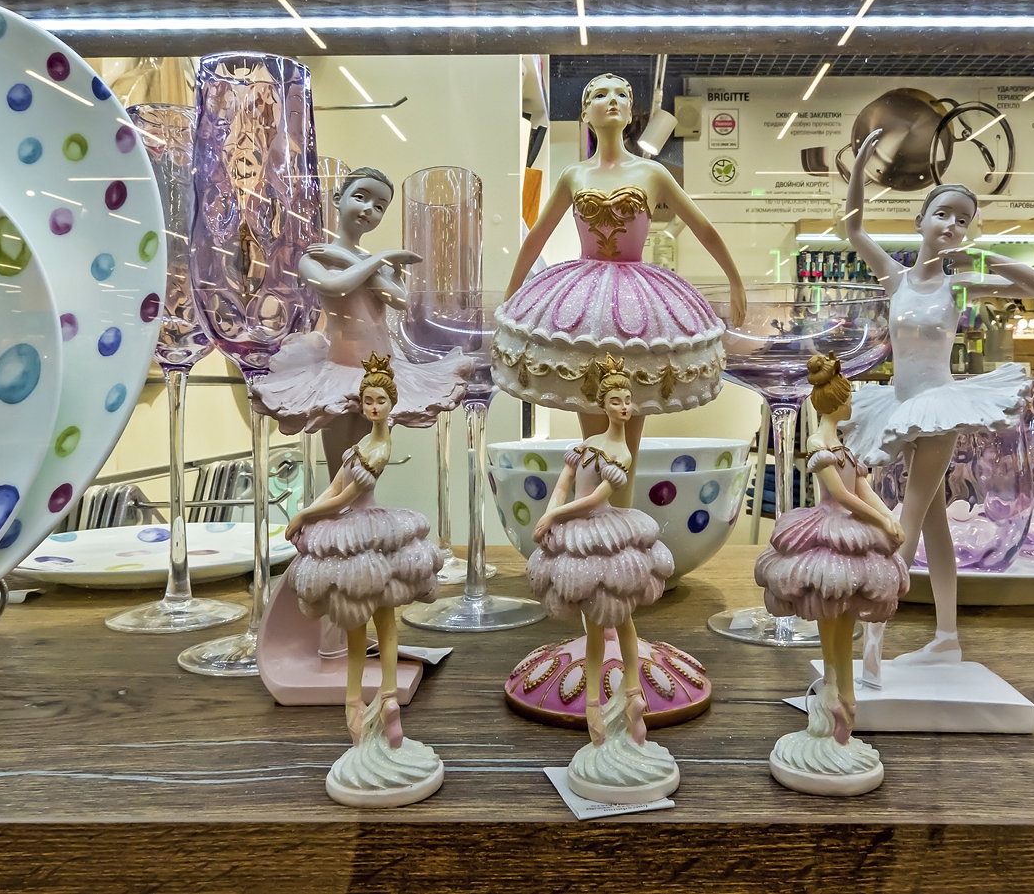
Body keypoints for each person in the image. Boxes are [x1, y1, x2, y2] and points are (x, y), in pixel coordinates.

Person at [840, 129, 1034, 666]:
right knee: (933, 524)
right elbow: (853, 227)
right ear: (920, 221)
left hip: (937, 407)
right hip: (900, 403)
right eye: (943, 214)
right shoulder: (896, 279)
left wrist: (985, 254)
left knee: (905, 519)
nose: (953, 225)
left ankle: (874, 636)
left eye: (963, 219)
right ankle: (947, 636)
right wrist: (861, 165)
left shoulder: (958, 284)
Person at [493, 73, 747, 502]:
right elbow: (536, 237)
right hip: (585, 302)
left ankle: (621, 516)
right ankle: (592, 515)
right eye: (599, 94)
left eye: (621, 94)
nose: (611, 100)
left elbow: (703, 226)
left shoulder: (652, 172)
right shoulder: (574, 175)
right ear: (585, 112)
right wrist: (511, 298)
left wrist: (735, 281)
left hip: (637, 303)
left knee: (630, 422)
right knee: (592, 421)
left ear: (630, 112)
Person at [283, 353, 445, 807]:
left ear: (391, 405)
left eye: (380, 401)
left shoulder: (379, 448)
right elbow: (334, 488)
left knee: (383, 623)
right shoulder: (359, 446)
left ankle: (383, 698)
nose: (374, 407)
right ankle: (357, 702)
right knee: (358, 628)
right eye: (368, 400)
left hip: (367, 530)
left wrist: (303, 515)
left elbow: (347, 498)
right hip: (354, 530)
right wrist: (309, 514)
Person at [526, 354, 679, 802]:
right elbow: (564, 482)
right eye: (616, 400)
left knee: (621, 617)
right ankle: (594, 703)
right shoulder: (588, 442)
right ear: (603, 404)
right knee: (595, 625)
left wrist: (555, 515)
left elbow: (595, 498)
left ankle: (631, 693)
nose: (625, 407)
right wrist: (549, 513)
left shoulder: (622, 452)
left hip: (604, 529)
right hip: (577, 530)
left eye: (628, 400)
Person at [252, 166, 471, 475]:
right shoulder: (316, 257)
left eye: (379, 206)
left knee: (370, 461)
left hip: (384, 370)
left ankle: (364, 504)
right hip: (342, 369)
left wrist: (359, 260)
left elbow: (399, 299)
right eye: (361, 197)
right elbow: (334, 286)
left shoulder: (370, 263)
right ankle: (336, 504)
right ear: (338, 199)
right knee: (341, 466)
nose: (369, 209)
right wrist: (377, 260)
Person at [755, 354, 907, 795]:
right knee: (830, 608)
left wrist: (888, 517)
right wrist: (878, 519)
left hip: (853, 530)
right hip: (828, 529)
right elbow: (841, 495)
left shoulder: (845, 448)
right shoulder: (820, 447)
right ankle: (833, 691)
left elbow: (863, 488)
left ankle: (843, 701)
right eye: (849, 399)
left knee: (847, 618)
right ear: (835, 403)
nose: (852, 405)